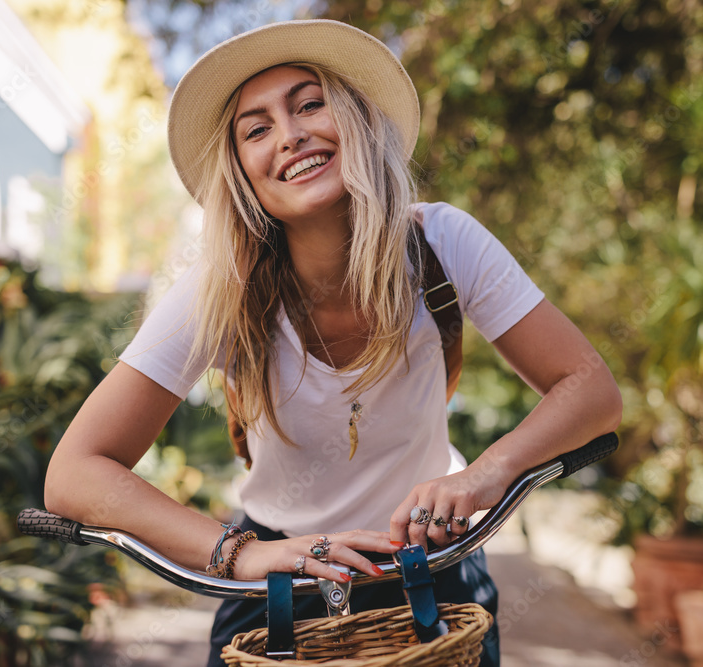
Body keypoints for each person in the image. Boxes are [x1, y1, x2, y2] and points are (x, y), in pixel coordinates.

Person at [44, 19, 622, 667]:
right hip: (277, 588)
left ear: (354, 121)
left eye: (310, 103)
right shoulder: (218, 290)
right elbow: (73, 473)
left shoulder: (444, 244)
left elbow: (591, 389)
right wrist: (243, 553)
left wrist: (482, 476)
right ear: (243, 175)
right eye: (256, 129)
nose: (290, 136)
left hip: (435, 570)